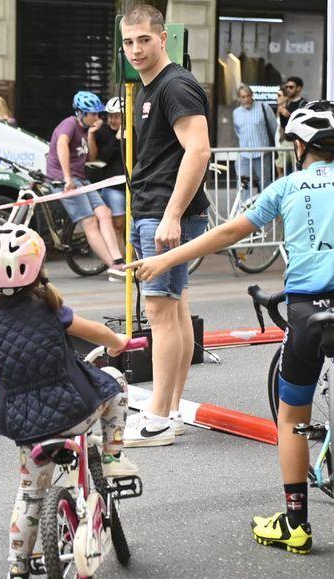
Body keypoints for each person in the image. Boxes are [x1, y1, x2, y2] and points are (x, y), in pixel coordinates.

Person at [125, 100, 334, 554]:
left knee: (292, 419)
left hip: (304, 315)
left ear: (299, 144)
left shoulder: (285, 187)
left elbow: (227, 234)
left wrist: (165, 257)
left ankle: (296, 523)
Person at [0, 225, 138, 579]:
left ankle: (17, 578)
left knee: (28, 497)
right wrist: (118, 341)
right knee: (115, 385)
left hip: (27, 429)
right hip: (75, 412)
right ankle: (112, 455)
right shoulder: (50, 308)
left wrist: (2, 371)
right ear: (37, 268)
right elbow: (93, 331)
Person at [118, 4, 211, 447]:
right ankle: (169, 409)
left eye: (143, 40)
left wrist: (171, 216)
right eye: (128, 41)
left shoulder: (175, 85)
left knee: (159, 312)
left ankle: (156, 417)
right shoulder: (153, 86)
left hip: (163, 213)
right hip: (157, 211)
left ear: (163, 39)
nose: (135, 49)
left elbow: (199, 151)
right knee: (173, 308)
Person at [46, 91, 126, 273]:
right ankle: (114, 266)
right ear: (81, 113)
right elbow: (61, 145)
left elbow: (91, 157)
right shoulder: (69, 124)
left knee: (105, 213)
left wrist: (91, 134)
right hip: (64, 179)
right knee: (90, 222)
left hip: (82, 179)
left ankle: (117, 258)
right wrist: (66, 178)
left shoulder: (85, 129)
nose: (98, 117)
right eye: (93, 114)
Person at [93, 96, 128, 265]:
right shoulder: (103, 132)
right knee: (118, 226)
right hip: (113, 186)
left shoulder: (134, 131)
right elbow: (103, 157)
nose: (113, 120)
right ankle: (122, 263)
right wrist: (117, 140)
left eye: (117, 116)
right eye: (111, 116)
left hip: (133, 185)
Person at [232, 84, 277, 198]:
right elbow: (237, 131)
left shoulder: (264, 107)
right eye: (243, 97)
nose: (246, 99)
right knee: (243, 184)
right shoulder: (236, 113)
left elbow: (274, 128)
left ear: (252, 95)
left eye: (248, 96)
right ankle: (243, 210)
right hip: (245, 154)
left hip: (262, 153)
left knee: (264, 183)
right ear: (239, 98)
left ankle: (266, 210)